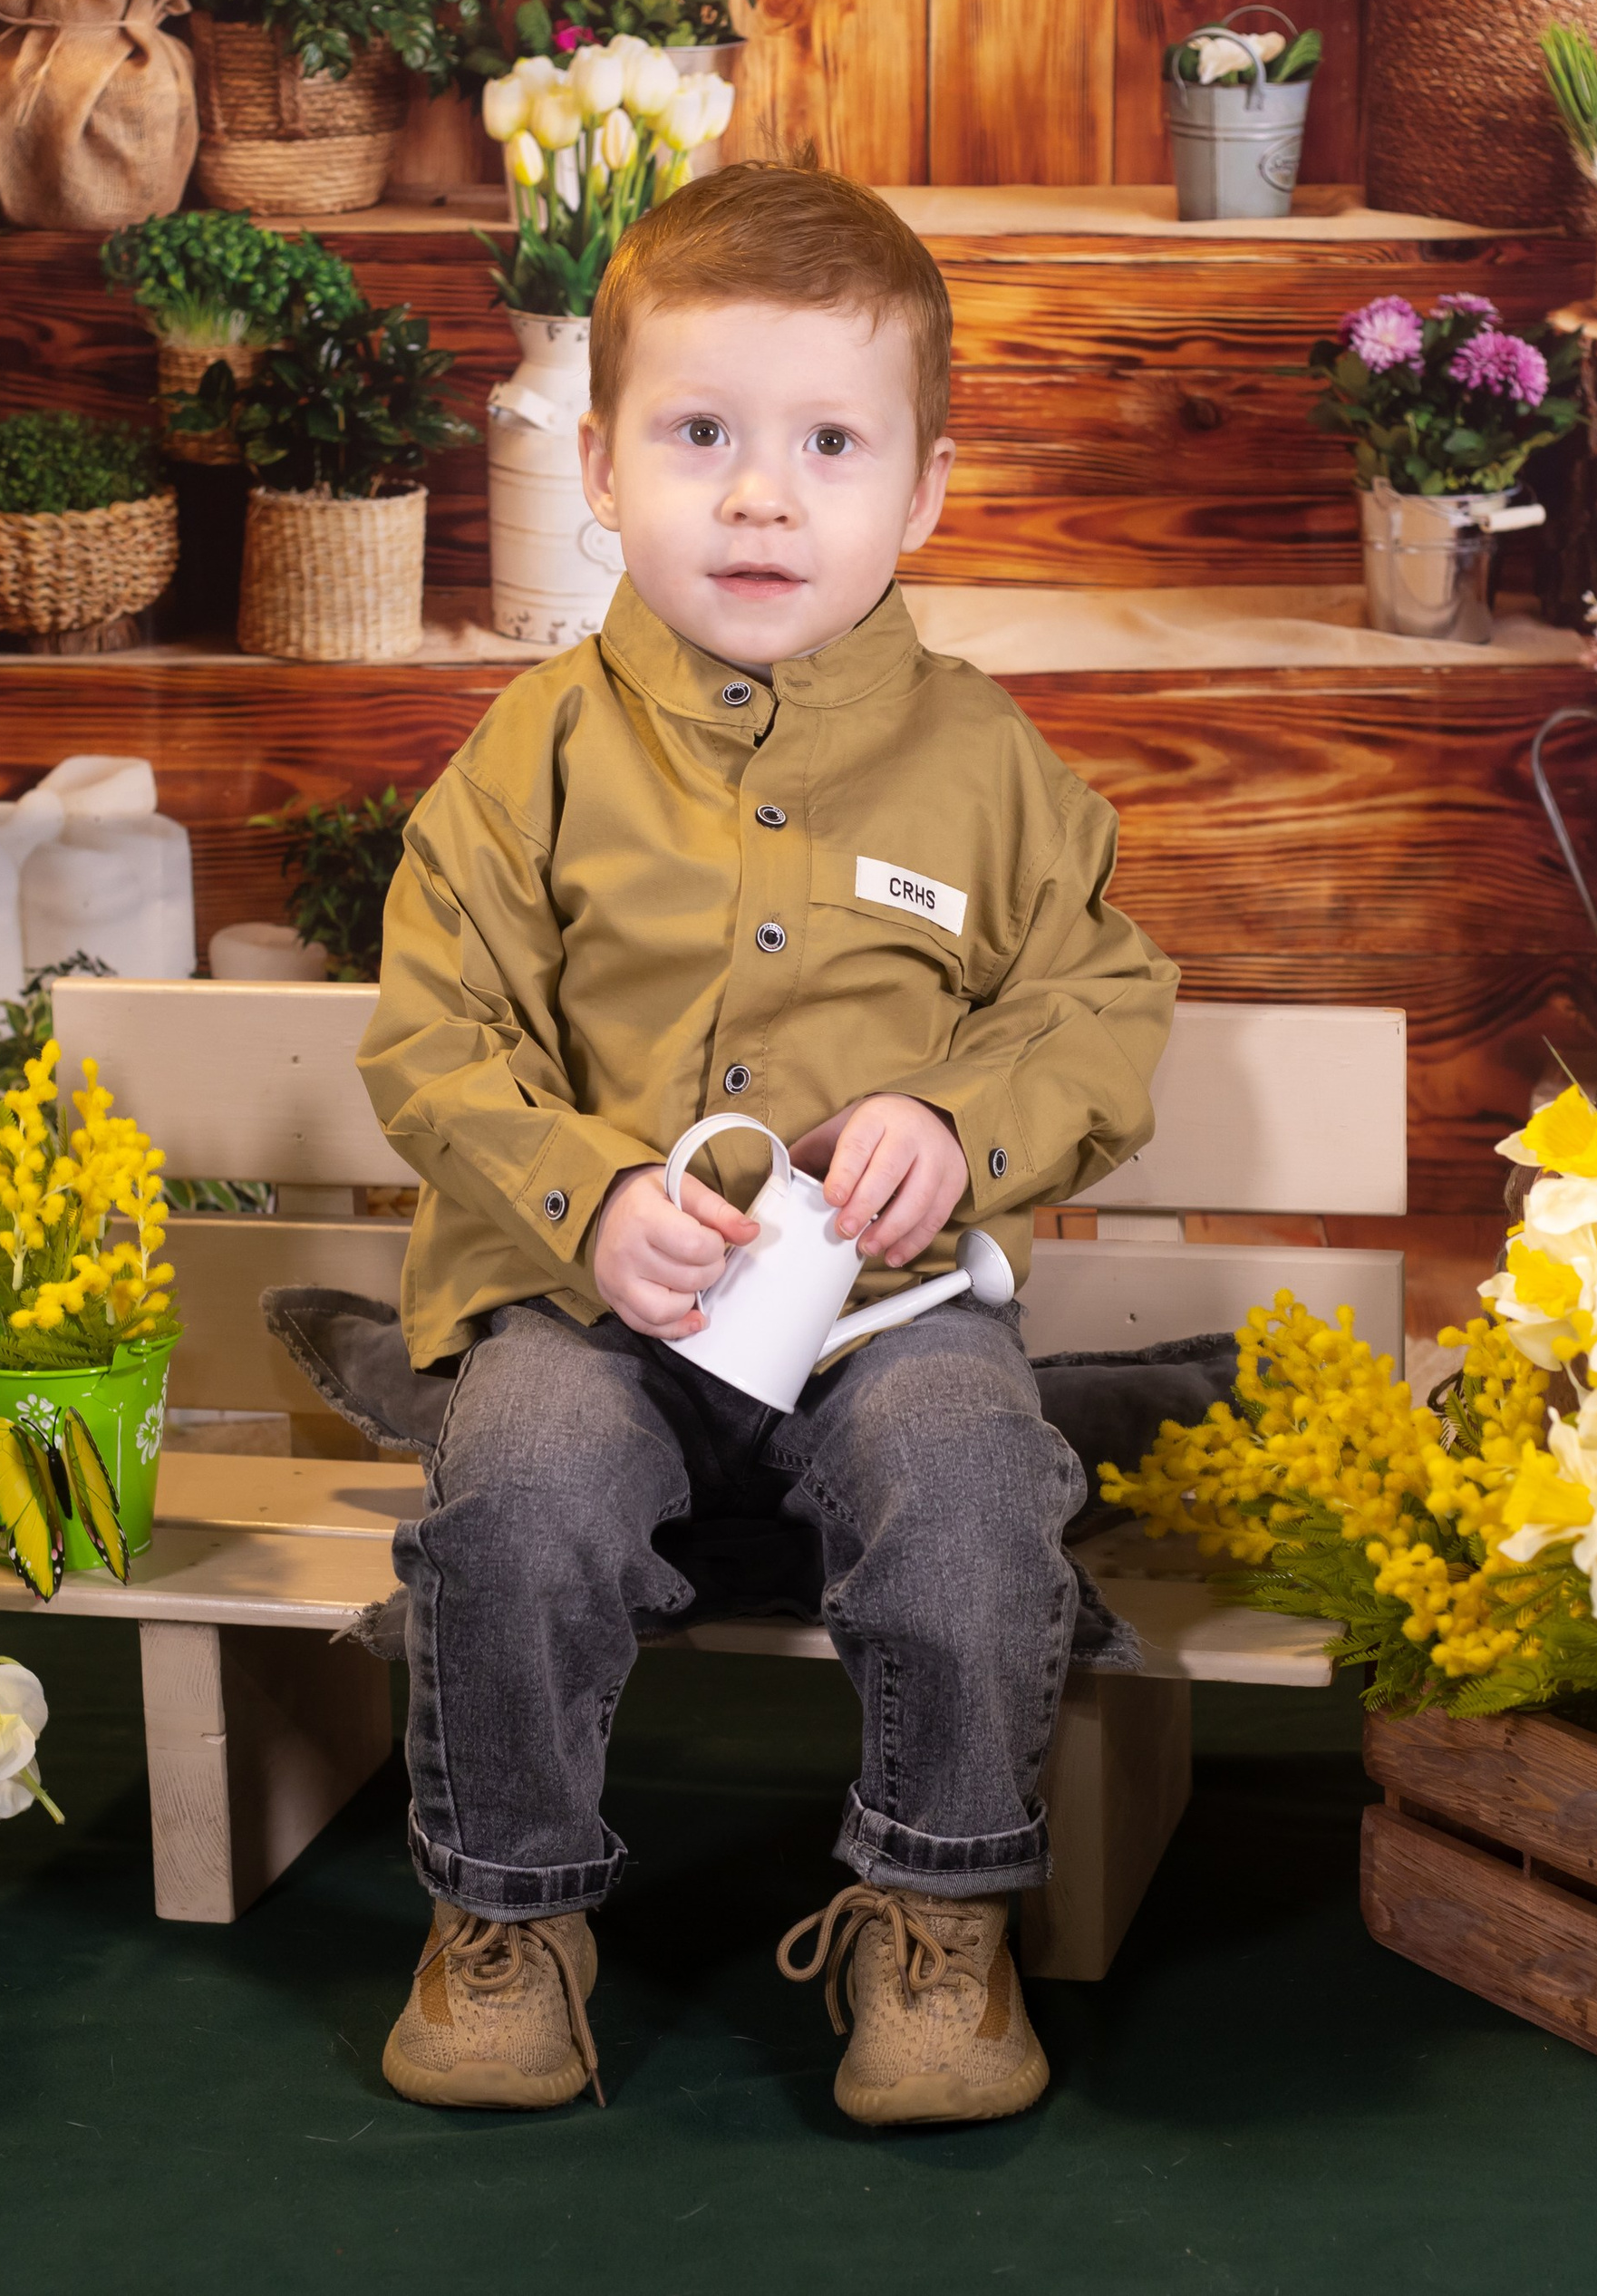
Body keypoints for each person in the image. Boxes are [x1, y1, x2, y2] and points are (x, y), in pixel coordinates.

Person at [357, 160, 1176, 2127]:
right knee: (519, 1481)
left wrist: (952, 1122)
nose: (757, 493)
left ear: (922, 492)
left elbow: (1094, 1005)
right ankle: (506, 1914)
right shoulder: (531, 751)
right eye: (700, 434)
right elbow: (430, 1029)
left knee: (976, 1475)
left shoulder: (988, 764)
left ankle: (935, 1919)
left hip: (876, 1314)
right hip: (587, 1308)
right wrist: (585, 1194)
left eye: (827, 443)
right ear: (601, 468)